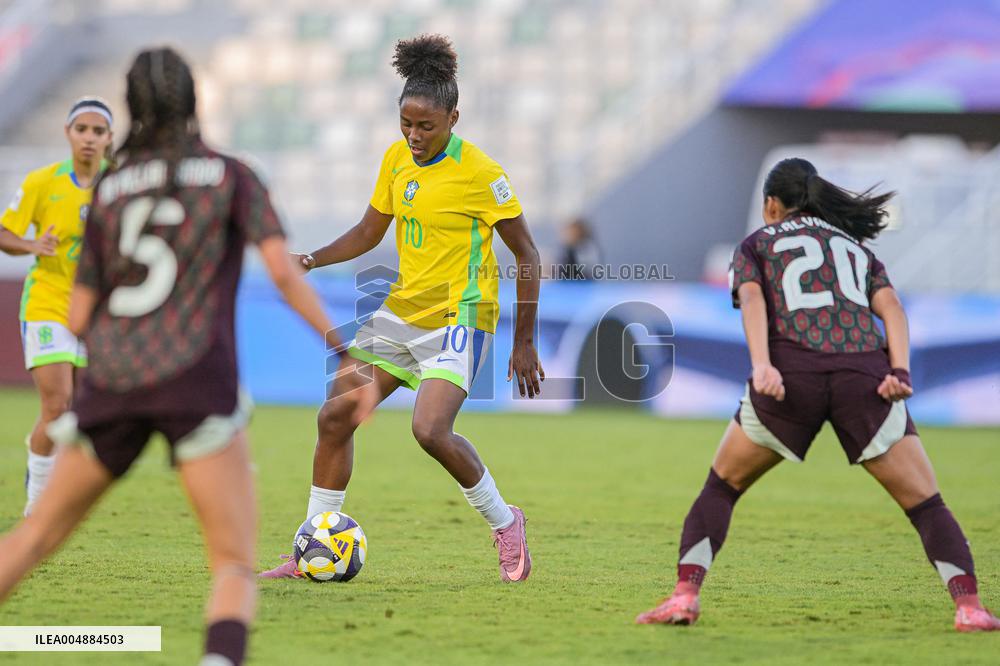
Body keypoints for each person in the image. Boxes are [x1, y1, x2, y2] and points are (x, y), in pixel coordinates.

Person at [0, 47, 350, 666]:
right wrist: (341, 345)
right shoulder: (233, 176)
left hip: (114, 381)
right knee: (233, 564)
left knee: (34, 538)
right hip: (195, 381)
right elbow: (281, 273)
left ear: (131, 108)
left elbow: (77, 317)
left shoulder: (108, 188)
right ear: (193, 102)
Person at [636, 158, 1000, 632]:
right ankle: (969, 607)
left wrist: (762, 365)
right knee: (926, 504)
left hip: (792, 378)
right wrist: (900, 370)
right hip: (863, 378)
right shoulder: (855, 248)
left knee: (721, 487)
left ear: (772, 203)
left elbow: (752, 299)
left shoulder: (756, 245)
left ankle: (685, 596)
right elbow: (891, 307)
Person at [261, 34, 544, 582]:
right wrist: (312, 259)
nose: (413, 136)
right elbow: (369, 231)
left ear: (453, 118)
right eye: (406, 124)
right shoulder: (396, 160)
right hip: (401, 312)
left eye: (426, 126)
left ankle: (506, 522)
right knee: (335, 415)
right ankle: (310, 547)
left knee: (430, 429)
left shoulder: (482, 174)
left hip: (461, 316)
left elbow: (527, 253)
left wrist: (524, 340)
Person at [0, 97, 113, 516]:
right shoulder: (42, 182)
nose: (89, 138)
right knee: (57, 403)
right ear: (68, 132)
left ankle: (56, 479)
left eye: (98, 131)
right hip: (47, 302)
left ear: (109, 138)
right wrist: (32, 244)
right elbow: (4, 233)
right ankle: (37, 505)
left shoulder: (118, 183)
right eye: (81, 129)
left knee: (81, 411)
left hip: (96, 310)